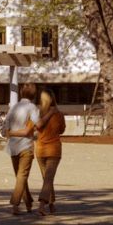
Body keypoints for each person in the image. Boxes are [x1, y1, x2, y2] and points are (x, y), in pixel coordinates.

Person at [4, 82, 40, 215]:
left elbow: (6, 128)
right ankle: (15, 204)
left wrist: (12, 133)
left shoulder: (13, 108)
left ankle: (28, 202)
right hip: (25, 145)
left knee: (20, 177)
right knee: (22, 176)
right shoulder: (32, 108)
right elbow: (34, 127)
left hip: (12, 146)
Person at [35, 88, 67, 216]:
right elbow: (61, 130)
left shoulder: (37, 113)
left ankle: (51, 204)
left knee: (47, 178)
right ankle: (43, 205)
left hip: (41, 150)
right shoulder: (58, 114)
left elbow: (36, 127)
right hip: (54, 150)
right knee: (48, 179)